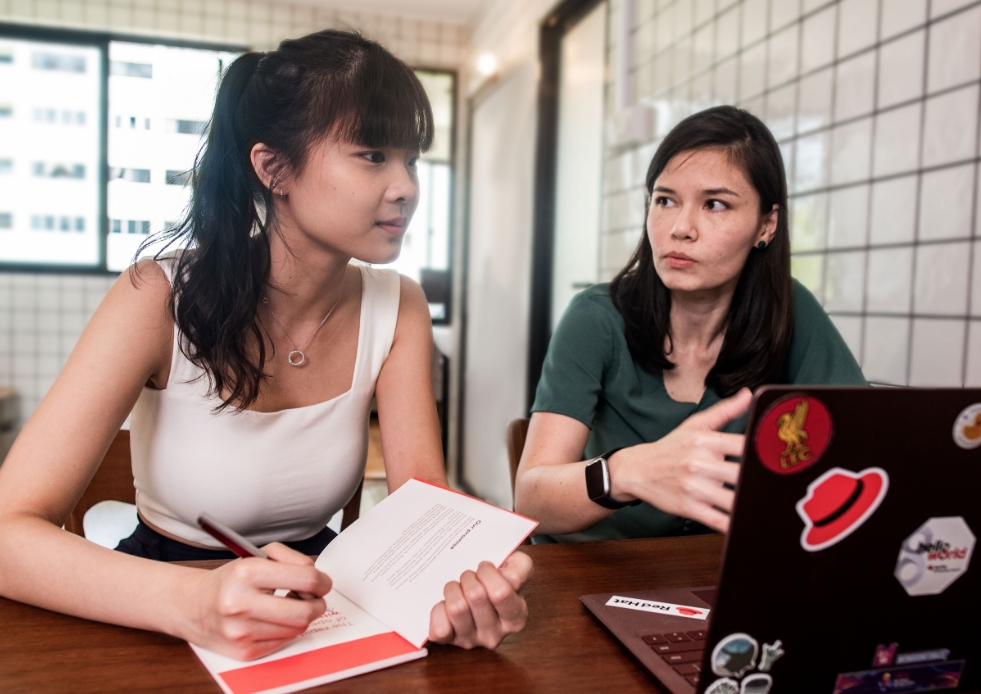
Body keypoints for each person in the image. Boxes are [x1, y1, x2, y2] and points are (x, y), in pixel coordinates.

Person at [0, 31, 530, 660]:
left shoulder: (399, 304)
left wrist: (470, 585)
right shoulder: (157, 296)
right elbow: (9, 532)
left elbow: (420, 512)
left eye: (411, 159)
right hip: (162, 594)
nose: (408, 186)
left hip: (320, 598)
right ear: (273, 168)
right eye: (372, 155)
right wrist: (192, 603)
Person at [514, 106, 867, 543]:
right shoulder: (596, 317)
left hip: (710, 579)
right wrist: (627, 472)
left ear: (767, 224)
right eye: (665, 200)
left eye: (715, 204)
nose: (680, 228)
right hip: (591, 576)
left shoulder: (789, 311)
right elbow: (531, 500)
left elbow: (863, 450)